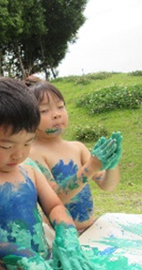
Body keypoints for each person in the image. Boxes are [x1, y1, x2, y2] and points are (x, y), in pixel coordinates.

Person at [0, 75, 94, 270]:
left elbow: (54, 205)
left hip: (45, 264)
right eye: (6, 146)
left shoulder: (28, 167)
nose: (18, 154)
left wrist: (66, 232)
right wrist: (19, 254)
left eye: (28, 142)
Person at [28, 81, 122, 234]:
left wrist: (111, 164)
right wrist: (90, 167)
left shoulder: (77, 148)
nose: (56, 114)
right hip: (59, 235)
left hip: (90, 230)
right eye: (44, 110)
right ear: (28, 118)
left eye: (60, 106)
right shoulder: (34, 153)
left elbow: (107, 186)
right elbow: (54, 199)